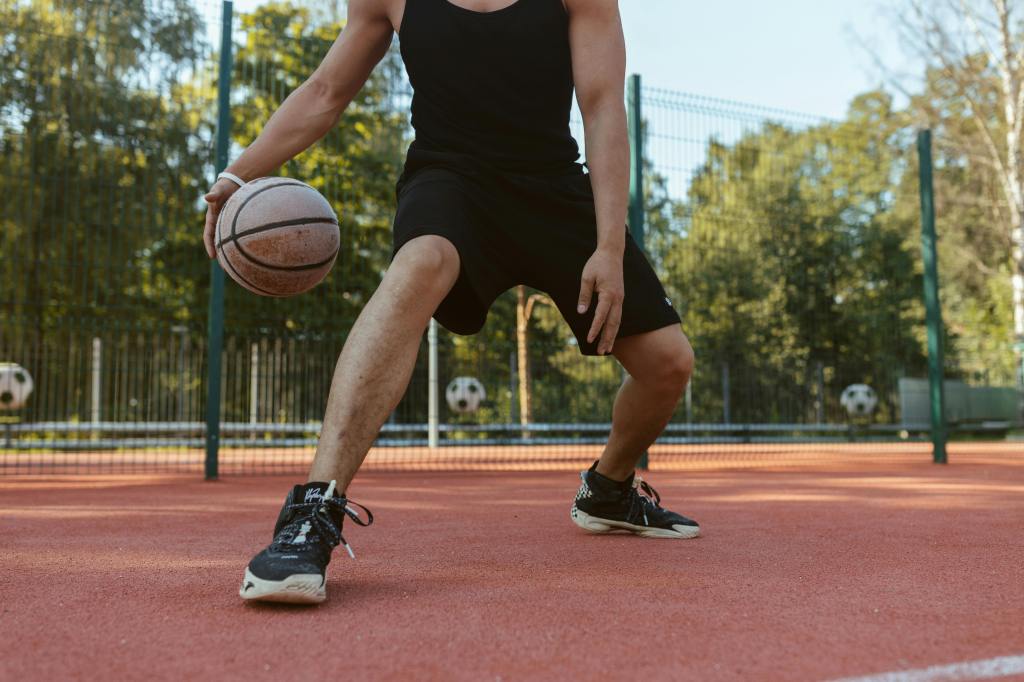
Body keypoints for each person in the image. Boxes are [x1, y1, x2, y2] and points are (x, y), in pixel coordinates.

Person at [203, 0, 700, 606]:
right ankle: (311, 512)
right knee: (420, 263)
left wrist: (608, 246)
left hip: (552, 188)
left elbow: (600, 108)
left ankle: (609, 489)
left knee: (668, 364)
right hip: (449, 180)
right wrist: (236, 176)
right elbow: (326, 89)